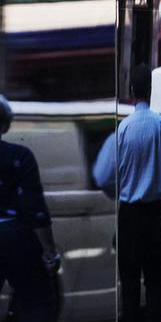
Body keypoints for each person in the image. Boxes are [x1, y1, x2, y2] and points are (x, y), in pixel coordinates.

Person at [117, 64, 161, 322]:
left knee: (129, 280)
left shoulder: (123, 129)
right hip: (153, 214)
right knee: (154, 280)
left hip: (128, 214)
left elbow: (117, 172)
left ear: (132, 92)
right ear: (150, 91)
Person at [0, 94, 60, 321]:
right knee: (36, 302)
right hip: (16, 240)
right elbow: (35, 210)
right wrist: (50, 252)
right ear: (5, 125)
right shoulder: (20, 156)